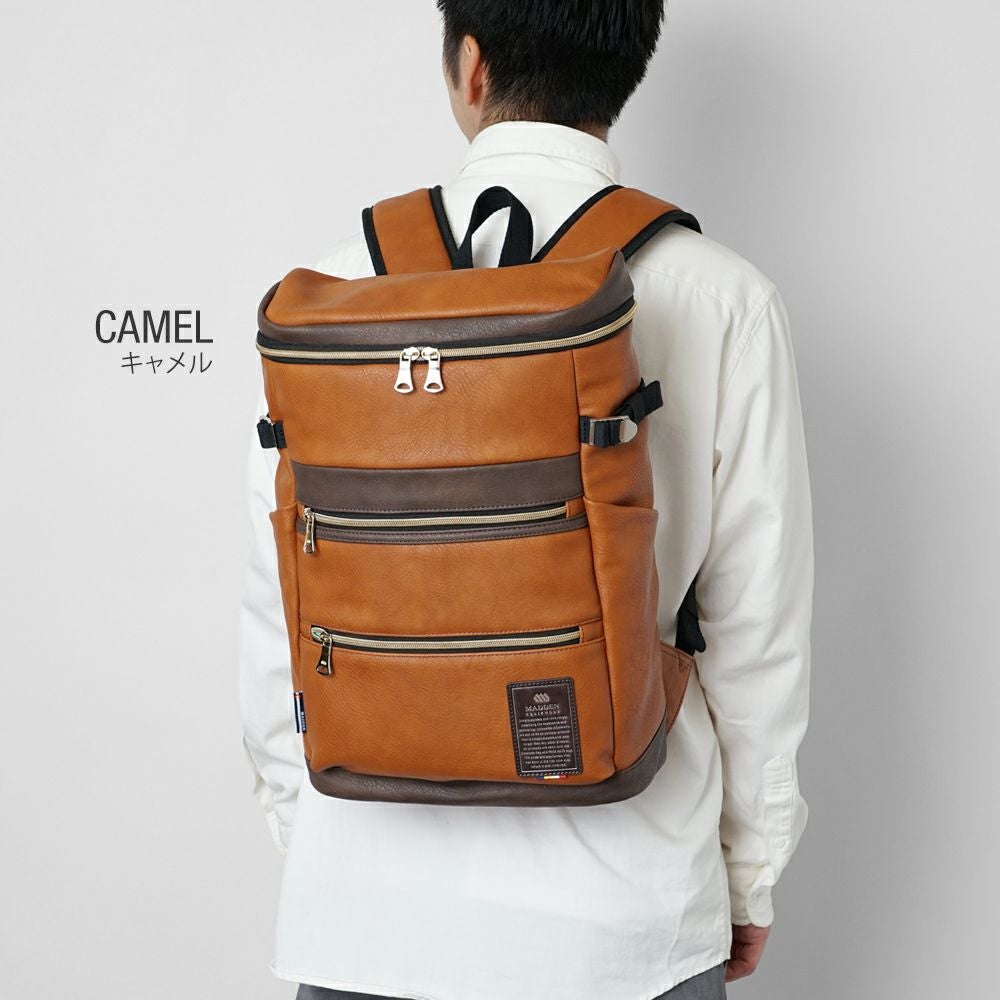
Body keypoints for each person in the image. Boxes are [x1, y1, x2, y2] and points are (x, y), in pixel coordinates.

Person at [239, 3, 814, 998]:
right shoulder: (724, 298)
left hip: (363, 919)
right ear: (624, 70)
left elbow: (275, 608)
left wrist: (320, 839)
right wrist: (747, 874)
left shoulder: (327, 295)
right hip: (619, 919)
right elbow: (760, 638)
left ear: (470, 66)